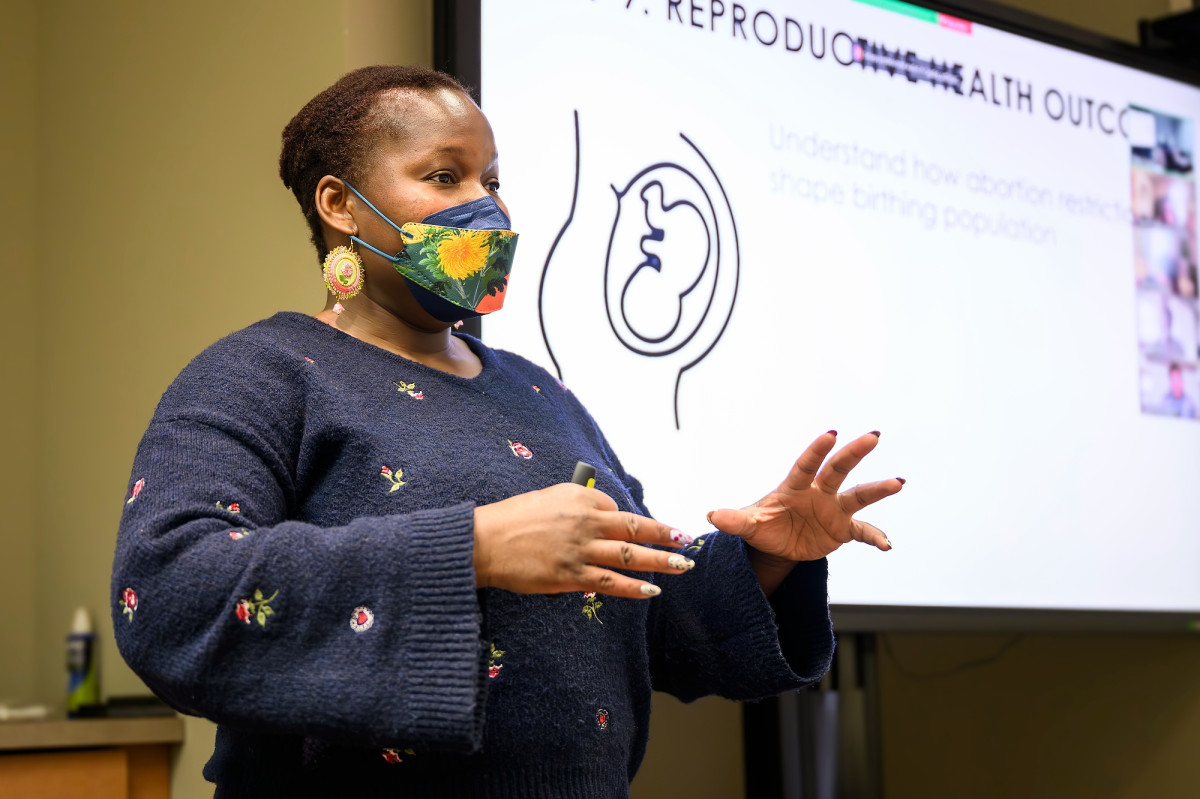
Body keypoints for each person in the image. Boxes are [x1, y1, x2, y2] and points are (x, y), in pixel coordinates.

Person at [111, 65, 902, 798]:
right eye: (444, 175)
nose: (485, 204)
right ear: (340, 204)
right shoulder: (262, 372)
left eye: (491, 179)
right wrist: (473, 549)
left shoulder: (538, 391)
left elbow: (634, 613)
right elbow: (171, 592)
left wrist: (762, 560)